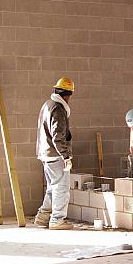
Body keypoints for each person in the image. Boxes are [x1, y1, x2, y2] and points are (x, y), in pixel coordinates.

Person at [34, 77, 75, 230]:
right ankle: (57, 220)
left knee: (53, 187)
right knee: (62, 187)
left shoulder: (48, 104)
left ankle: (43, 217)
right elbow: (58, 135)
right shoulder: (58, 108)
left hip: (45, 153)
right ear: (68, 95)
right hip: (55, 154)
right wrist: (66, 156)